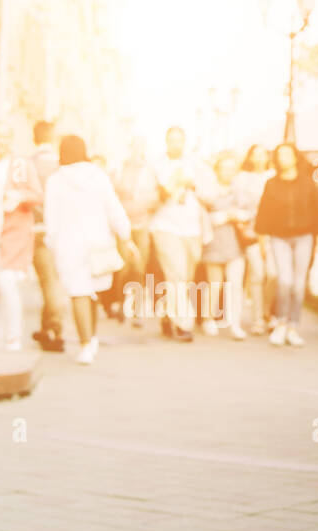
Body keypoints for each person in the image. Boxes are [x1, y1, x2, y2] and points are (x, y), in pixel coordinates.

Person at [45, 135, 134, 365]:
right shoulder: (98, 176)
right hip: (98, 243)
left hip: (68, 244)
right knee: (91, 292)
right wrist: (125, 234)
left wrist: (53, 244)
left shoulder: (55, 181)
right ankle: (91, 339)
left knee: (78, 293)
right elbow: (113, 208)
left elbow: (50, 219)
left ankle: (86, 343)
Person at [0, 121, 43, 352]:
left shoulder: (20, 164)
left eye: (4, 137)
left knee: (6, 282)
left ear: (11, 139)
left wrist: (19, 195)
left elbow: (37, 195)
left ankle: (13, 337)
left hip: (13, 232)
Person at [254, 142, 318, 347]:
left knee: (299, 284)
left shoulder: (308, 184)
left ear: (295, 157)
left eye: (287, 154)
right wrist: (262, 243)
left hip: (304, 237)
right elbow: (263, 215)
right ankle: (281, 322)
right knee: (284, 281)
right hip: (279, 237)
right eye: (280, 154)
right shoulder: (271, 184)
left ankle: (293, 326)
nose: (283, 158)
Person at [149, 126, 211, 342]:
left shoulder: (196, 164)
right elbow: (149, 196)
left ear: (184, 142)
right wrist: (167, 188)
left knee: (185, 277)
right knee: (176, 274)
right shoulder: (156, 165)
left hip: (192, 228)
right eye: (171, 140)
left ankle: (168, 312)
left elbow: (210, 194)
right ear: (166, 142)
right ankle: (184, 324)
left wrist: (192, 185)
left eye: (179, 140)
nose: (175, 144)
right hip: (165, 226)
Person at [28, 120, 68, 352]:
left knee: (48, 282)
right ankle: (51, 328)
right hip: (61, 231)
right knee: (55, 281)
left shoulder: (27, 164)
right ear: (53, 138)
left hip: (38, 229)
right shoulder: (61, 166)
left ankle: (52, 329)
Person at [201, 151, 248, 340]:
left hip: (236, 244)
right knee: (215, 284)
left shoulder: (240, 192)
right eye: (224, 168)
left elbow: (249, 214)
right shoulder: (208, 192)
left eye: (232, 169)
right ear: (217, 170)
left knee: (235, 284)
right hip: (214, 243)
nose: (228, 172)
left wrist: (234, 215)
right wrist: (226, 215)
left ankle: (235, 323)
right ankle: (208, 318)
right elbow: (204, 217)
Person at [115, 137, 159, 327]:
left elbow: (156, 196)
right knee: (124, 265)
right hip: (123, 224)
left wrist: (145, 204)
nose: (137, 151)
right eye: (134, 146)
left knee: (140, 266)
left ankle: (137, 307)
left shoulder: (150, 171)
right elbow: (112, 194)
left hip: (142, 224)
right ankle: (121, 301)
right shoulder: (119, 169)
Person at [235, 144, 273, 335]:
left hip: (274, 233)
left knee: (273, 275)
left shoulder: (273, 176)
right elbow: (238, 205)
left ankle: (268, 313)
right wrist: (242, 227)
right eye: (255, 155)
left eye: (262, 154)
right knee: (257, 274)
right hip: (251, 232)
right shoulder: (242, 179)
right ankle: (258, 319)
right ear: (249, 157)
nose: (258, 158)